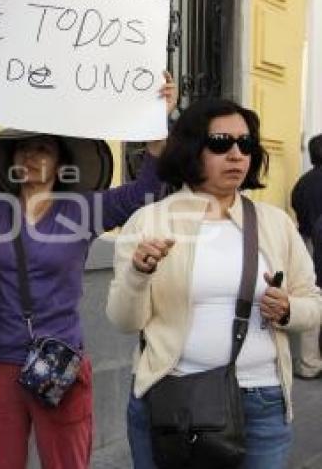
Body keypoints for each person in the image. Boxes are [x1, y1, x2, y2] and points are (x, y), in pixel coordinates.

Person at [0, 61, 177, 469]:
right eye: (22, 147)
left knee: (65, 462)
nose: (29, 155)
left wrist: (157, 122)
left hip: (60, 363)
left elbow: (147, 191)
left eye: (42, 148)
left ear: (61, 160)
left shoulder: (80, 210)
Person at [108, 99, 322, 469]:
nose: (237, 154)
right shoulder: (149, 221)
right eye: (221, 143)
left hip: (262, 404)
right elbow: (124, 321)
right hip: (173, 400)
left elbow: (313, 304)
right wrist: (138, 275)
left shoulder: (275, 223)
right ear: (192, 150)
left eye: (246, 144)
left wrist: (288, 309)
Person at [291, 133, 322, 378]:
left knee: (310, 296)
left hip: (307, 244)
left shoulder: (302, 182)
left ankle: (309, 364)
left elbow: (297, 209)